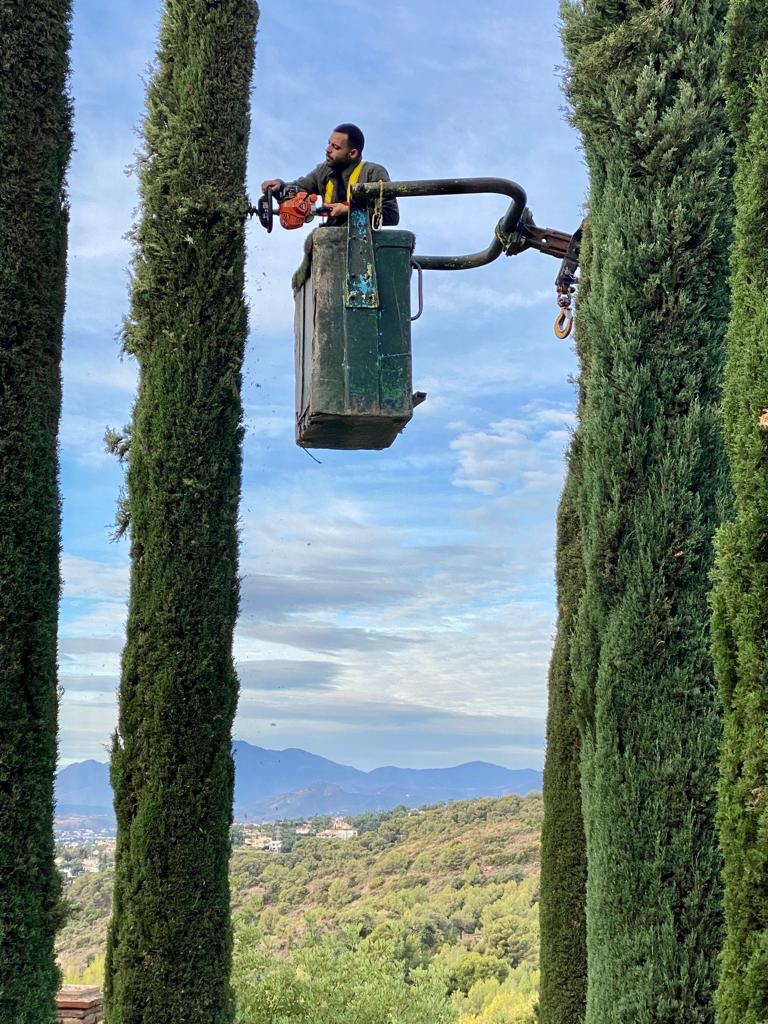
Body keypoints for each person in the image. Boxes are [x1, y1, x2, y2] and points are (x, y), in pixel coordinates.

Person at [261, 123, 399, 228]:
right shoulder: (324, 171)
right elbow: (299, 187)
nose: (328, 150)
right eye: (329, 144)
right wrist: (279, 186)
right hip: (330, 241)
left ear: (353, 153)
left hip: (364, 247)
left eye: (336, 147)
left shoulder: (373, 173)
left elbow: (391, 216)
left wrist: (348, 211)